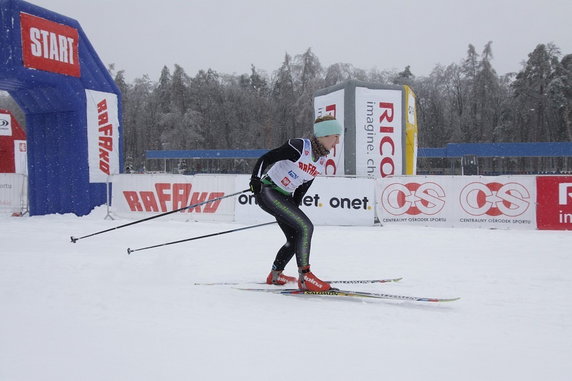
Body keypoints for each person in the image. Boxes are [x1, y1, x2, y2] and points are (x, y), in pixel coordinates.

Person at [249, 115, 342, 291]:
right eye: (335, 136)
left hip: (284, 197)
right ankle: (305, 276)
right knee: (306, 227)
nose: (337, 141)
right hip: (268, 191)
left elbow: (303, 185)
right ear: (324, 135)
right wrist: (255, 178)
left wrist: (294, 206)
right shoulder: (299, 147)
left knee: (295, 237)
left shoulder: (322, 161)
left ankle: (275, 275)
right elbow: (267, 158)